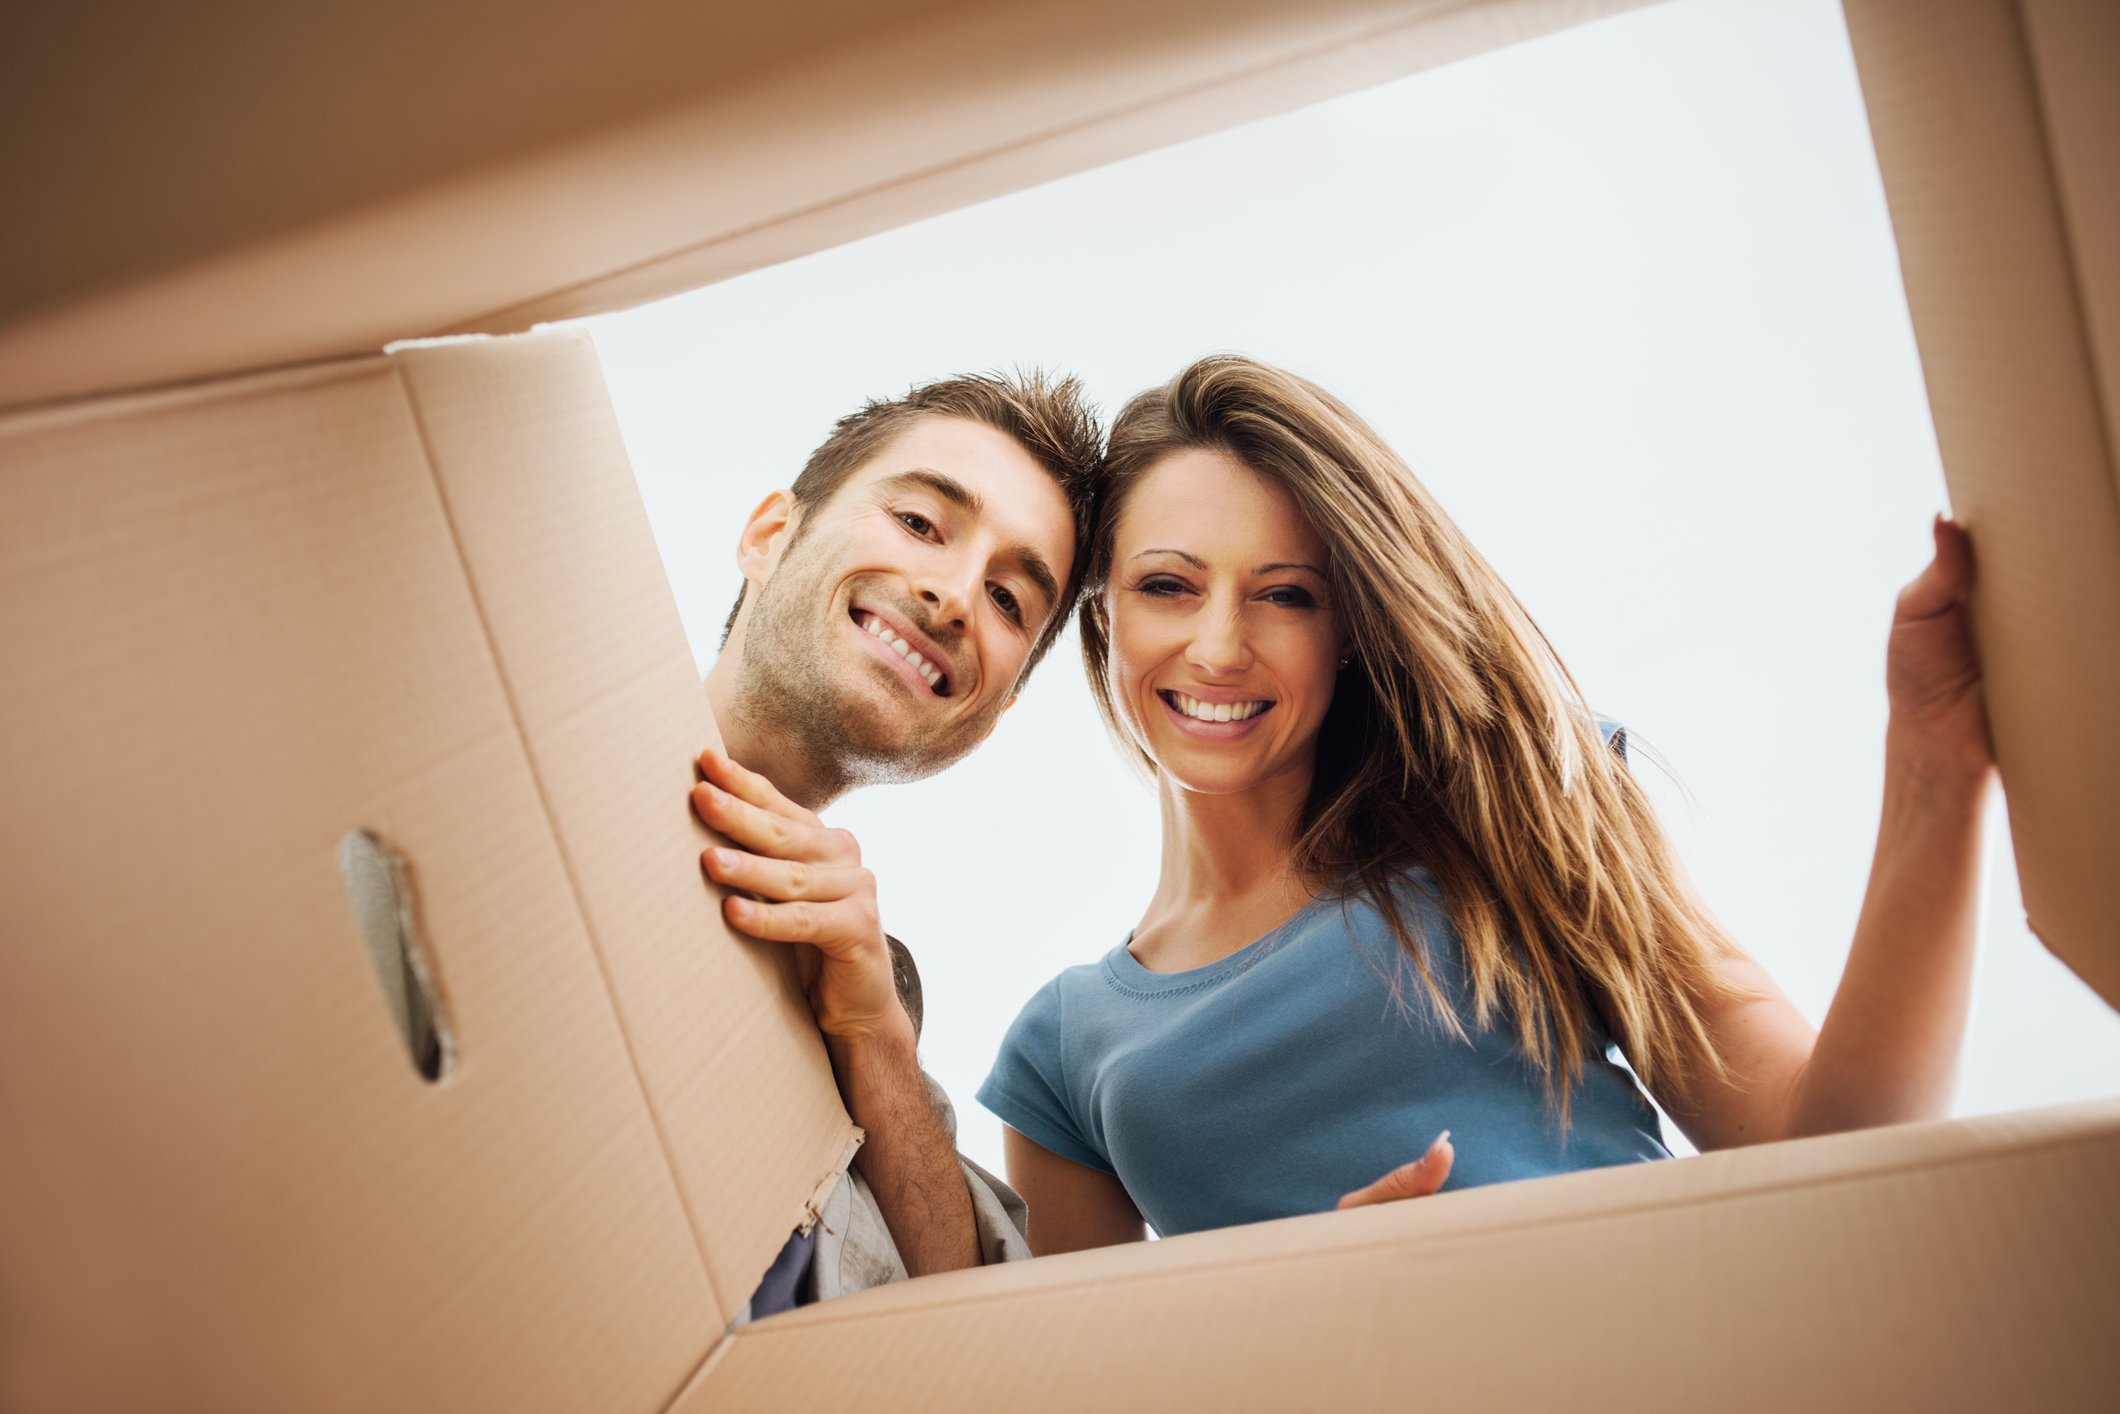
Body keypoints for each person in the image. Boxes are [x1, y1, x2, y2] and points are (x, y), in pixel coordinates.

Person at [709, 353, 1992, 1261]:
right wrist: (1313, 1322)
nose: (1219, 646)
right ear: (1101, 624)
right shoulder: (1062, 1052)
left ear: (1347, 627)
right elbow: (1066, 1381)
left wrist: (1932, 771)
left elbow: (1841, 1149)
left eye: (1285, 595)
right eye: (1166, 585)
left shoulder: (1511, 819)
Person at [685, 368, 1102, 1313]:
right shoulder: (515, 747)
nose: (953, 597)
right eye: (919, 523)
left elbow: (970, 1328)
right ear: (770, 535)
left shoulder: (870, 1003)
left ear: (991, 713)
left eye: (1008, 600)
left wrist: (874, 1039)